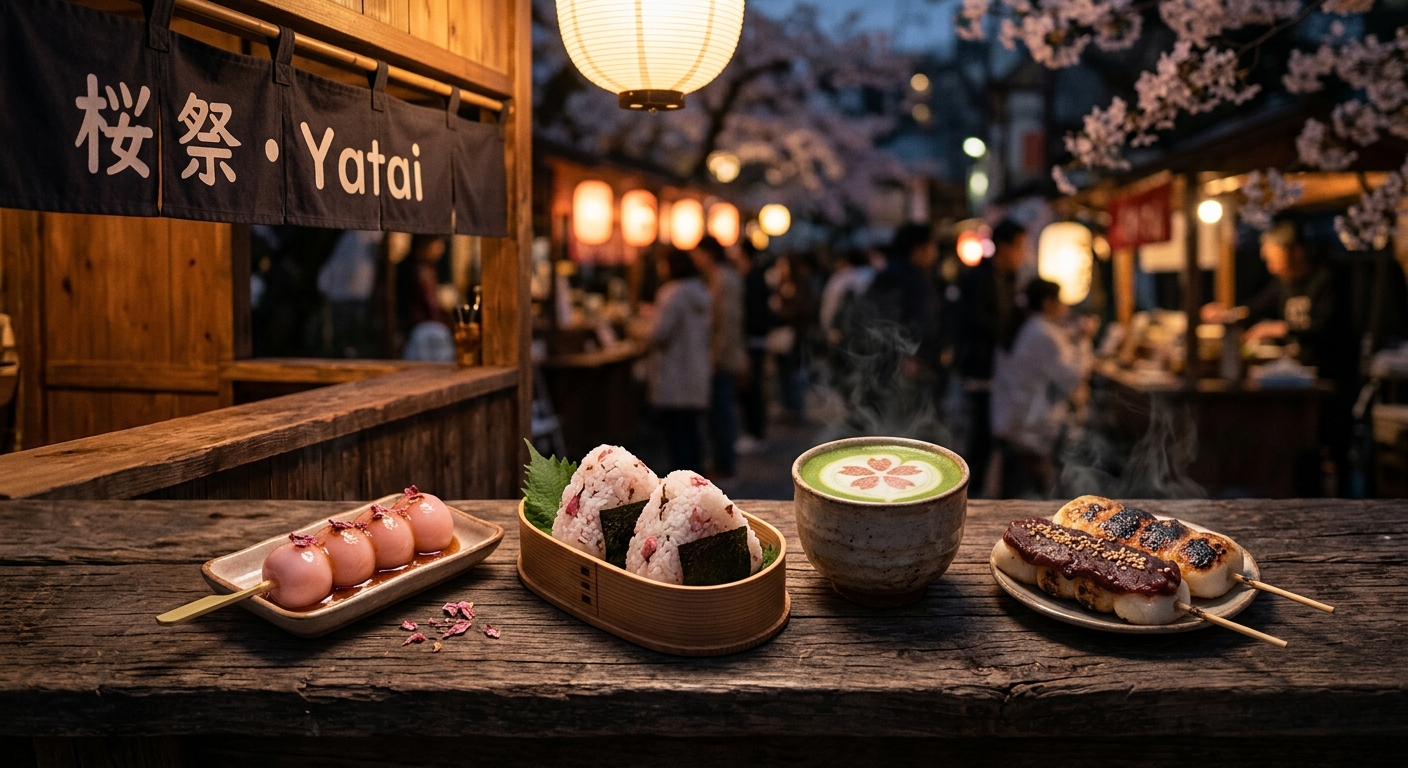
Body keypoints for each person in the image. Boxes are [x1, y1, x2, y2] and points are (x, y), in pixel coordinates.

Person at [991, 278, 1094, 499]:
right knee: (1035, 497)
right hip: (1030, 426)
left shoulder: (1028, 327)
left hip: (1014, 420)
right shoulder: (1042, 332)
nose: (1064, 307)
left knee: (1015, 495)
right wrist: (1084, 340)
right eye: (1060, 301)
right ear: (1048, 302)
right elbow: (1072, 378)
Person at [952, 219, 1026, 497]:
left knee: (991, 434)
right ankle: (969, 494)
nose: (1022, 254)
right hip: (981, 369)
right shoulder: (978, 278)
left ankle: (983, 491)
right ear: (1004, 247)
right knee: (980, 434)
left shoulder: (1007, 279)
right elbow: (975, 322)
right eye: (1019, 247)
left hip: (1000, 370)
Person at [646, 248, 713, 473]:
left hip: (674, 372)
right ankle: (697, 475)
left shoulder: (672, 294)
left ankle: (681, 481)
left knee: (676, 432)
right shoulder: (702, 292)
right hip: (696, 369)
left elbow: (659, 333)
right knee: (693, 429)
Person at [693, 236, 748, 479]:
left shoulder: (722, 278)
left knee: (721, 411)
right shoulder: (726, 276)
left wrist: (716, 356)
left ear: (708, 253)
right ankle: (724, 461)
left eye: (698, 253)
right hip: (725, 352)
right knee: (721, 409)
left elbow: (724, 322)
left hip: (721, 355)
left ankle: (725, 464)